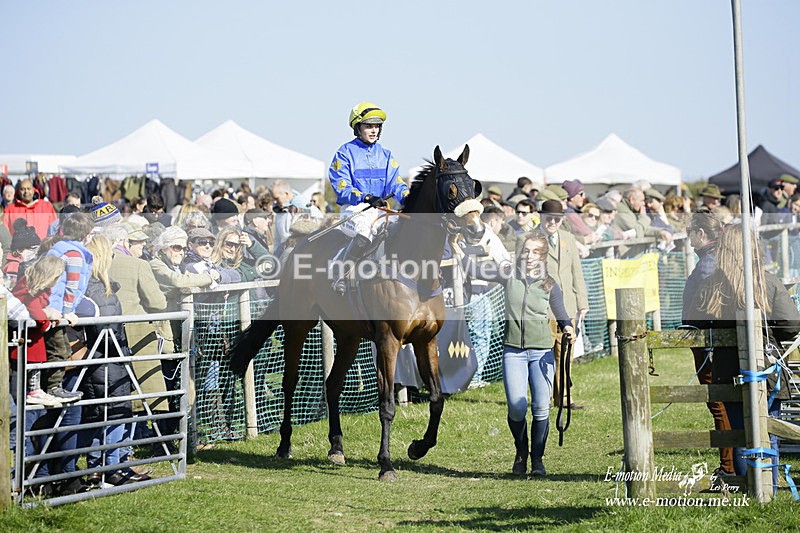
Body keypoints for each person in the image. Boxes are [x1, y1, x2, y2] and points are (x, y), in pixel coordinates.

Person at [688, 224, 800, 489]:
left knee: (739, 433)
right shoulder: (766, 280)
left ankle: (746, 489)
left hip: (727, 370)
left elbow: (694, 321)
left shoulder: (711, 283)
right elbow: (791, 325)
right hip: (765, 367)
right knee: (767, 430)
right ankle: (766, 489)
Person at [78, 235, 150, 486]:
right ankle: (112, 469)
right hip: (108, 360)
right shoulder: (101, 290)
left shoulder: (94, 286)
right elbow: (107, 329)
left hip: (104, 360)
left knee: (103, 415)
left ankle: (103, 469)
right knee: (114, 413)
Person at [502, 232, 575, 476]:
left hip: (542, 352)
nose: (530, 256)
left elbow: (561, 312)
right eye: (527, 250)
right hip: (513, 350)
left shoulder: (550, 284)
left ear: (543, 256)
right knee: (516, 406)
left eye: (536, 252)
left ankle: (537, 460)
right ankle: (521, 452)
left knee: (541, 407)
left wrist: (567, 327)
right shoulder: (508, 275)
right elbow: (478, 269)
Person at [327, 102, 408, 293]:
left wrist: (409, 198)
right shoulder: (344, 153)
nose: (374, 130)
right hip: (354, 211)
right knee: (364, 233)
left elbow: (397, 183)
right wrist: (366, 197)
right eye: (368, 126)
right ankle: (341, 274)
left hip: (380, 211)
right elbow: (342, 186)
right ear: (358, 128)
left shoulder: (386, 155)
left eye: (377, 126)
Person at [681, 212, 734, 477]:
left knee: (718, 403)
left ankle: (729, 467)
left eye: (690, 231)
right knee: (726, 403)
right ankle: (733, 464)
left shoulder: (707, 265)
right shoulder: (716, 258)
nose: (688, 236)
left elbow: (703, 308)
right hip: (714, 341)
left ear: (701, 234)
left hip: (709, 344)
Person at [537, 200, 588, 410]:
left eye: (557, 219)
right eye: (548, 218)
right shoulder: (530, 240)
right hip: (542, 309)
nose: (552, 222)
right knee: (544, 356)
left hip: (568, 306)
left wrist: (582, 303)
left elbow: (577, 272)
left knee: (566, 354)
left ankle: (565, 398)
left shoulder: (568, 239)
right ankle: (544, 399)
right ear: (540, 217)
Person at [42, 212, 95, 403]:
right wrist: (67, 311)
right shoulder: (74, 255)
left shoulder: (59, 248)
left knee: (62, 348)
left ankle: (54, 386)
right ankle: (53, 387)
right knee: (59, 350)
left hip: (51, 305)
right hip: (56, 309)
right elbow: (71, 285)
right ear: (87, 234)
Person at [4, 219, 41, 287]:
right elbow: (10, 287)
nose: (36, 252)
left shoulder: (36, 262)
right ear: (20, 250)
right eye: (33, 248)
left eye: (38, 248)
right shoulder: (13, 266)